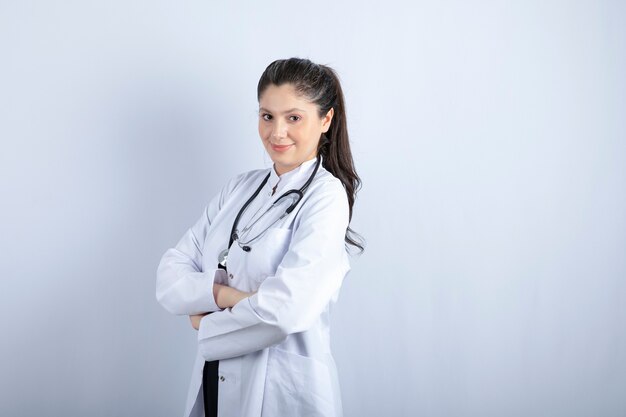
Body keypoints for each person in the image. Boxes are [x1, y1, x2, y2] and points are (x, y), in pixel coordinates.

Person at [156, 57, 364, 417]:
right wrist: (226, 294)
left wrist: (205, 316)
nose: (277, 132)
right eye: (267, 116)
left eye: (293, 117)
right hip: (213, 384)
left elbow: (284, 312)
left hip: (283, 394)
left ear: (325, 120)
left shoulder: (326, 198)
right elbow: (169, 276)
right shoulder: (239, 188)